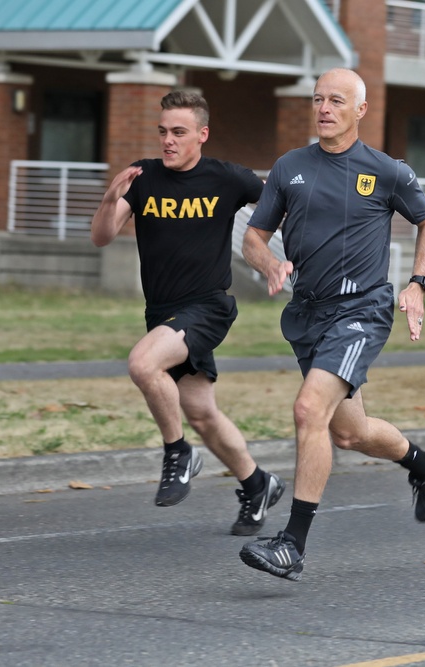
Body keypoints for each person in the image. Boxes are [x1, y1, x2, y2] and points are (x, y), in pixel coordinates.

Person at [238, 68, 425, 580]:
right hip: (307, 314)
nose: (324, 108)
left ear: (360, 110)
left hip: (361, 311)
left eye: (336, 100)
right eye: (318, 99)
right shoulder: (289, 167)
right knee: (349, 433)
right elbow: (255, 236)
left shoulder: (386, 171)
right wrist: (269, 263)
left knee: (308, 408)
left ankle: (292, 544)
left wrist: (417, 282)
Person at [90, 90, 285, 536]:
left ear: (202, 134)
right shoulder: (143, 178)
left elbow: (281, 205)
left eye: (179, 132)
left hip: (208, 307)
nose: (168, 141)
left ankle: (178, 454)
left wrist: (281, 256)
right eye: (163, 132)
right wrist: (109, 200)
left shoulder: (227, 179)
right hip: (163, 314)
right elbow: (102, 237)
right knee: (201, 412)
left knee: (142, 363)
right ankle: (258, 484)